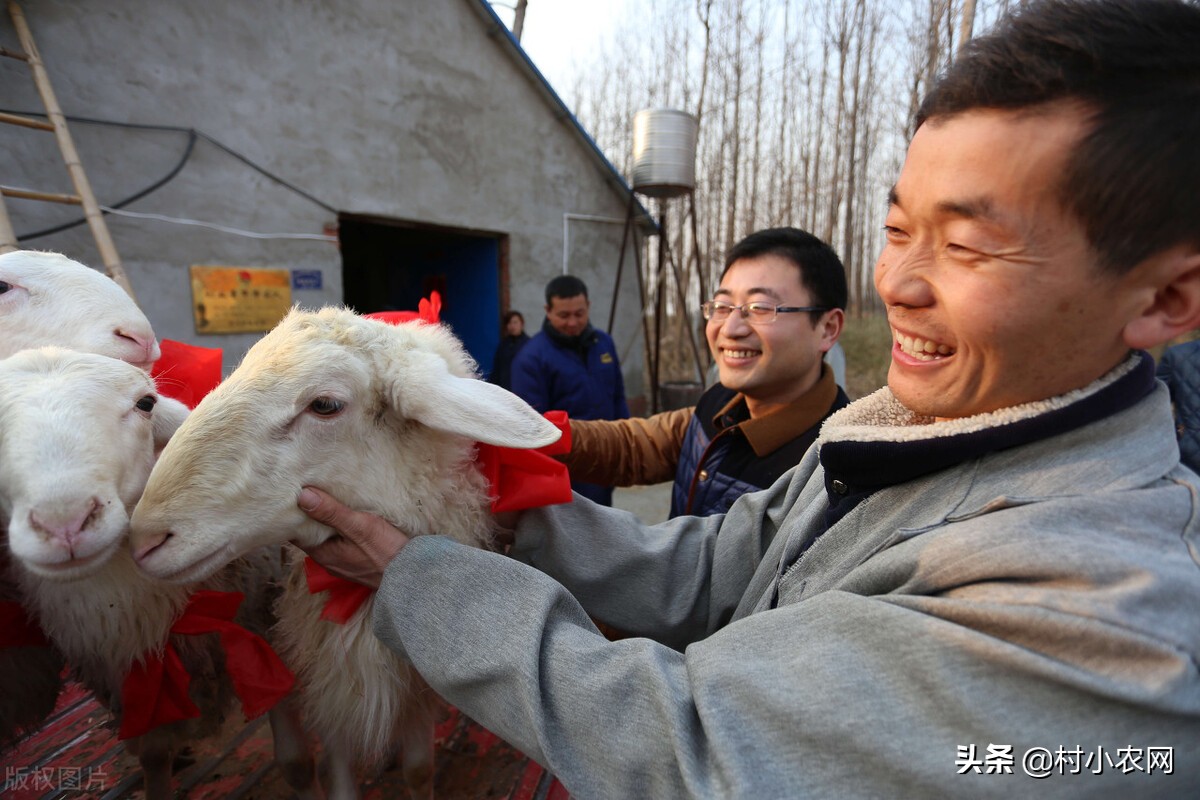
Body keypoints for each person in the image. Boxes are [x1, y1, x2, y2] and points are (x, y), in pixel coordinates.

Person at [299, 0, 1200, 794]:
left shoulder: (1097, 627)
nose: (903, 282)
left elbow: (696, 748)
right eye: (896, 229)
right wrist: (485, 505)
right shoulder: (892, 431)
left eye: (966, 247)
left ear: (1165, 298)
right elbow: (716, 560)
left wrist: (431, 581)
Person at [564, 227, 850, 517]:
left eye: (760, 308)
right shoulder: (722, 402)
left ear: (827, 329)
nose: (730, 328)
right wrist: (539, 434)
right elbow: (637, 447)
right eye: (722, 306)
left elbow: (704, 557)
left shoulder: (832, 473)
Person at [509, 275, 629, 506]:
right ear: (548, 310)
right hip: (567, 475)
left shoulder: (603, 344)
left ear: (588, 307)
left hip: (605, 463)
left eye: (579, 314)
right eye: (564, 315)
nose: (573, 322)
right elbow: (533, 428)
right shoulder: (531, 359)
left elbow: (618, 398)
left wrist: (623, 450)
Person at [1156, 339, 1200, 474]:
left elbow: (1151, 407)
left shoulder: (1177, 354)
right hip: (1189, 457)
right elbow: (1154, 405)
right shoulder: (1177, 356)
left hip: (1189, 458)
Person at [487, 310, 529, 391]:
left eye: (515, 322)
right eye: (509, 323)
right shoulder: (503, 345)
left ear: (522, 324)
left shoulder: (529, 345)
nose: (512, 326)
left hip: (523, 389)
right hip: (505, 389)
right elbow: (497, 369)